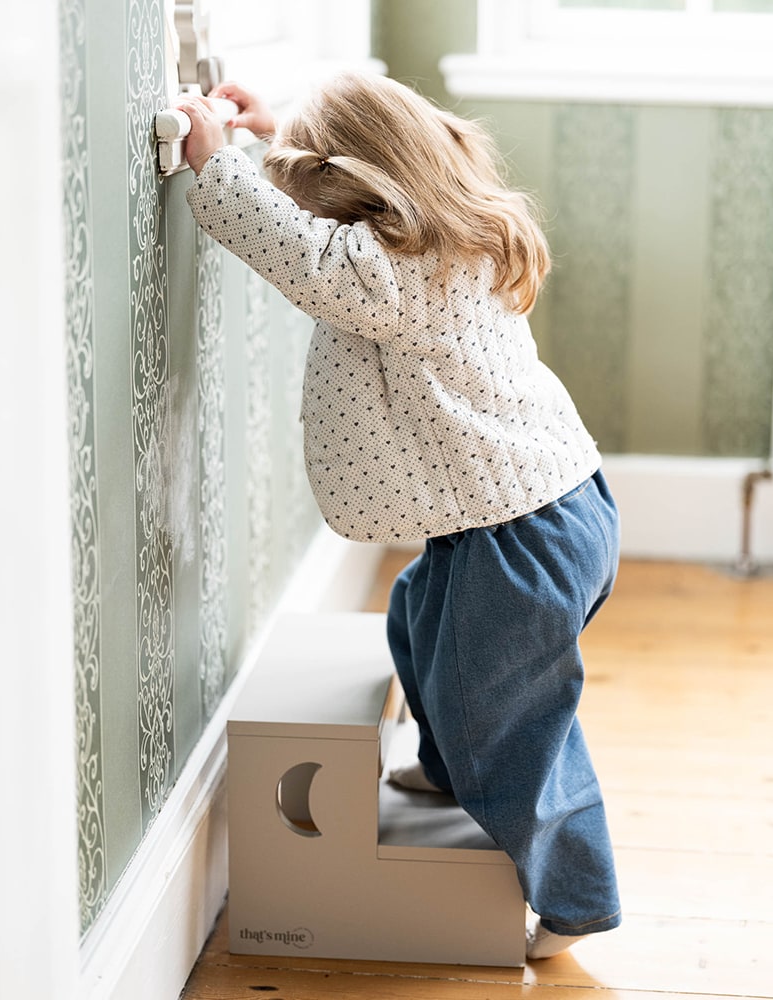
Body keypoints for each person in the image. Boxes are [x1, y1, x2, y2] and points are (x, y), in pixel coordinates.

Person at [178, 73, 621, 961]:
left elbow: (301, 254)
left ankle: (576, 897)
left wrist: (215, 166)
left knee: (509, 721)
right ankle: (454, 765)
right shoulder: (448, 231)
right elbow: (320, 229)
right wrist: (274, 144)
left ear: (359, 193)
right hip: (533, 513)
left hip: (520, 538)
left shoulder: (396, 273)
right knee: (421, 624)